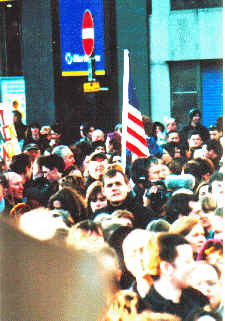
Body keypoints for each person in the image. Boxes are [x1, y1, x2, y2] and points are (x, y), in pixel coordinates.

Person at [139, 233, 208, 319]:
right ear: (166, 268)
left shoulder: (198, 299)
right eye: (187, 261)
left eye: (193, 259)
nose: (194, 266)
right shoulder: (145, 311)